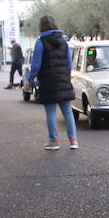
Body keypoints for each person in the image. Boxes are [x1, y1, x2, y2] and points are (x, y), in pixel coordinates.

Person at [28, 15, 77, 150]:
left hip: (48, 81)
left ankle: (53, 141)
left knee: (51, 113)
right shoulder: (63, 42)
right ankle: (73, 140)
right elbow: (69, 63)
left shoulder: (40, 42)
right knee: (67, 111)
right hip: (63, 80)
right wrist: (66, 76)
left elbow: (36, 65)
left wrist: (30, 80)